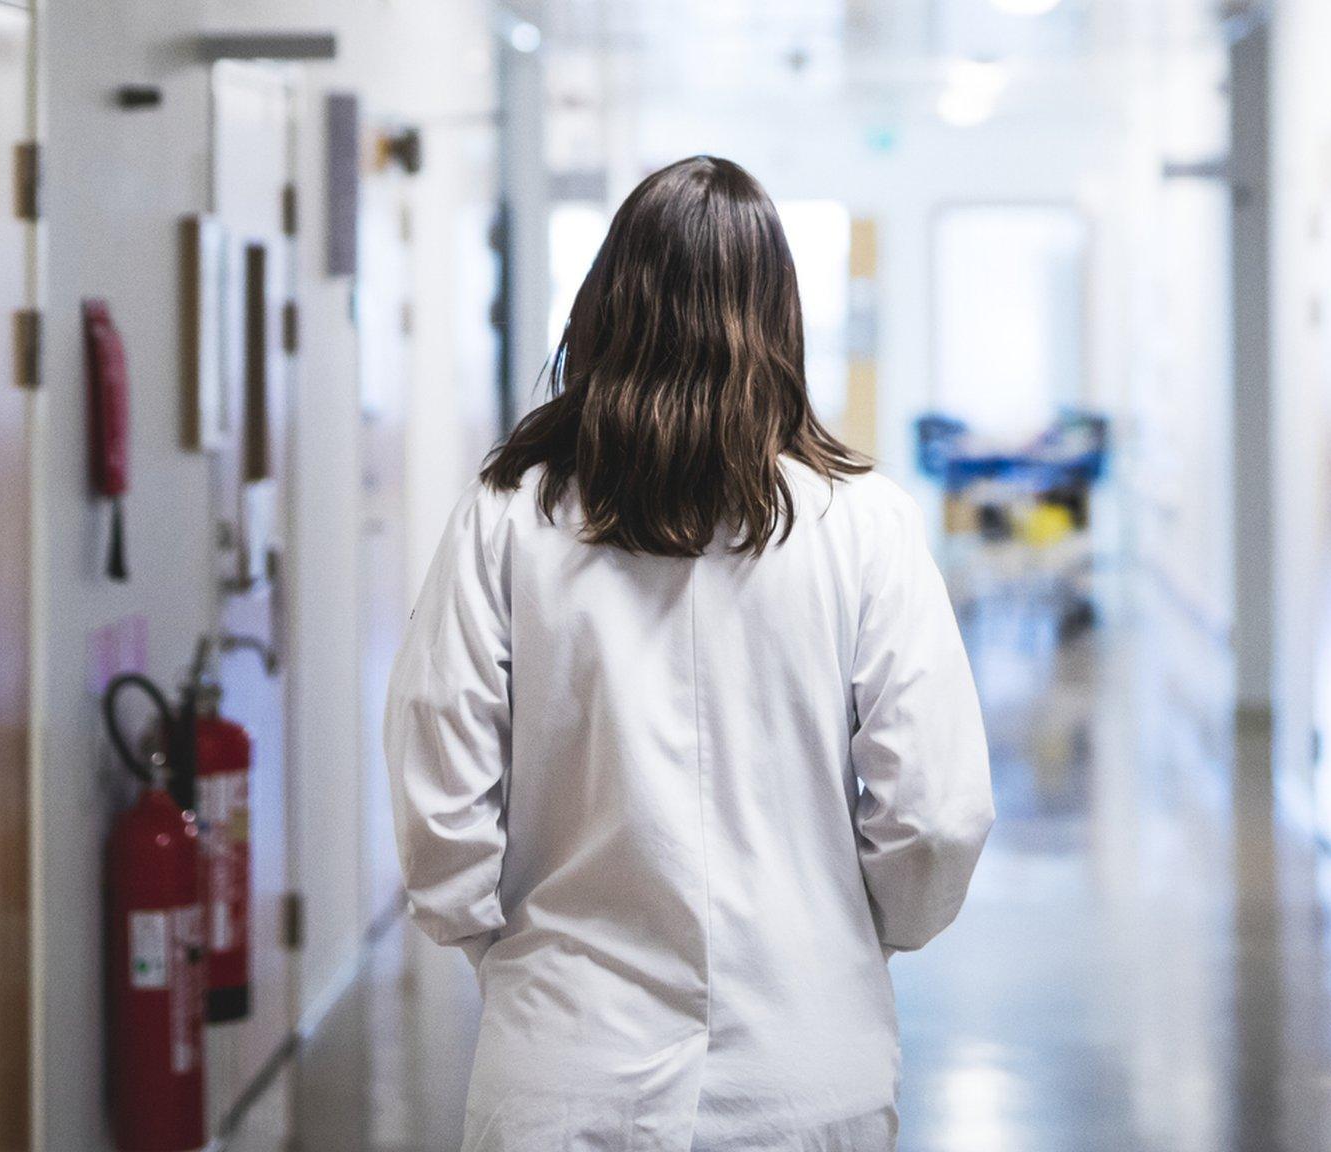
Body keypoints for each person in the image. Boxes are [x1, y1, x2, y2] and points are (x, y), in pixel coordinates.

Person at [385, 155, 994, 1151]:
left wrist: (507, 952)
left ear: (605, 309)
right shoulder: (863, 523)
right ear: (779, 317)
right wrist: (844, 933)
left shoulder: (504, 517)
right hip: (808, 1064)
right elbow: (934, 810)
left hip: (561, 1067)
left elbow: (437, 781)